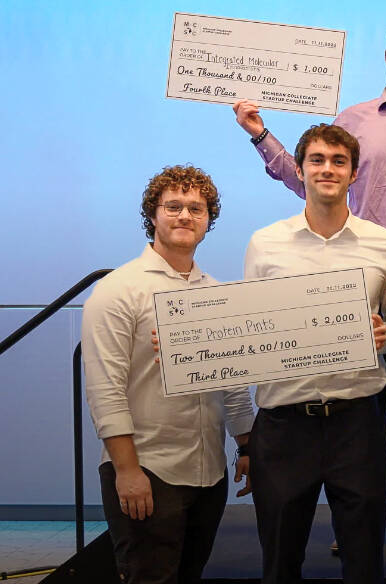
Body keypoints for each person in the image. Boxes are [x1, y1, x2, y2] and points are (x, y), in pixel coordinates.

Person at [234, 16, 386, 554]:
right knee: (357, 413)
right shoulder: (353, 119)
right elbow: (309, 174)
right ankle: (357, 515)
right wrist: (259, 132)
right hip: (349, 288)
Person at [244, 124, 386, 583]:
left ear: (354, 173)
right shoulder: (265, 243)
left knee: (363, 562)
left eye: (339, 162)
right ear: (299, 169)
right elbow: (249, 327)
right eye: (317, 160)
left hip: (357, 423)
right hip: (283, 424)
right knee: (279, 562)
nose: (327, 169)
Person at [82, 165, 254, 584]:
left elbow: (231, 383)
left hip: (208, 473)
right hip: (148, 470)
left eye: (196, 208)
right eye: (173, 206)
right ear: (153, 215)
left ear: (209, 219)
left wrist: (247, 445)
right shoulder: (118, 290)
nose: (185, 216)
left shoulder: (216, 294)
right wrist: (127, 471)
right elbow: (105, 390)